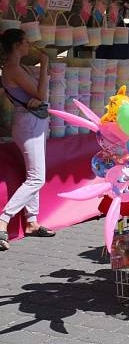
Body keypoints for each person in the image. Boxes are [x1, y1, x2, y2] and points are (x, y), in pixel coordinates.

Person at [0, 29, 55, 250]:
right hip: (29, 124)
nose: (29, 45)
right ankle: (4, 219)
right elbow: (41, 95)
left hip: (32, 122)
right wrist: (44, 67)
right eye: (25, 42)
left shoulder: (15, 68)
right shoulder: (13, 68)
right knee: (37, 178)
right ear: (16, 45)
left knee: (34, 174)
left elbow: (37, 96)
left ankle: (32, 221)